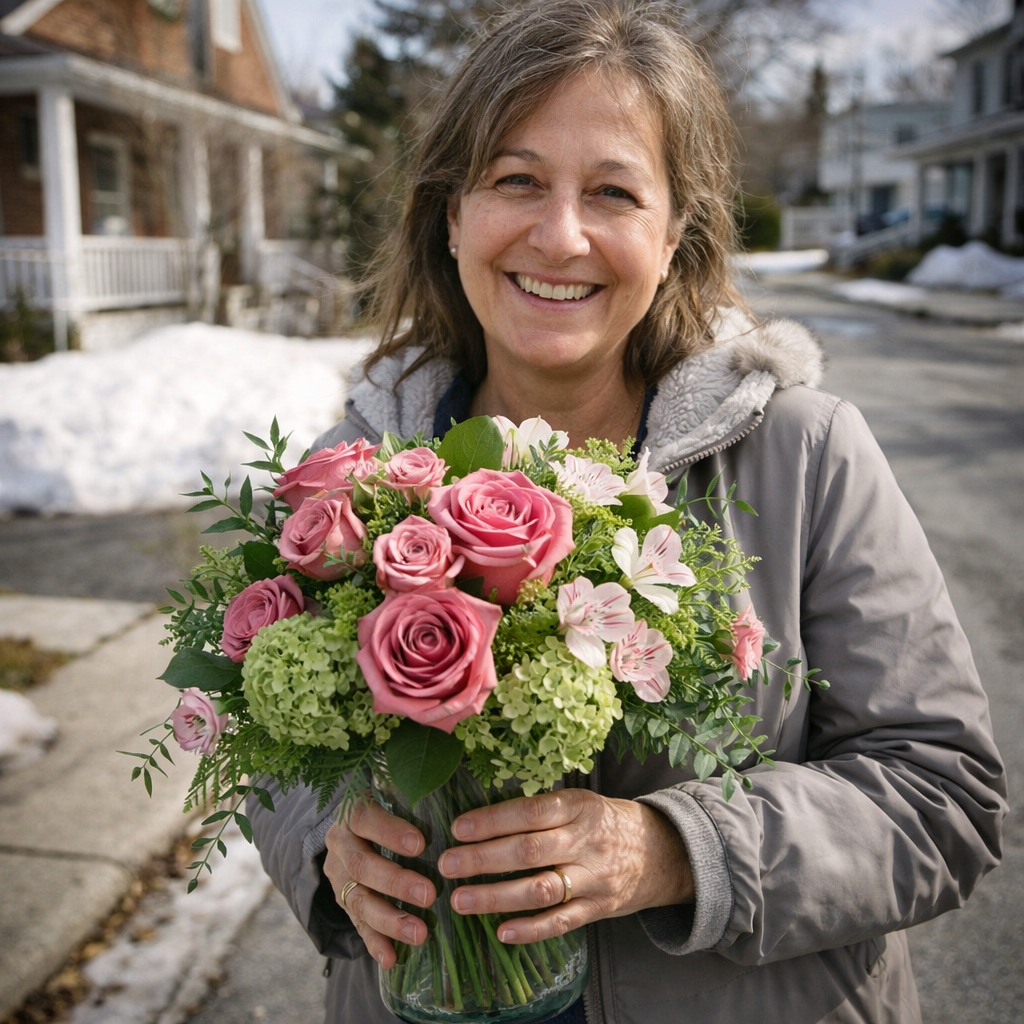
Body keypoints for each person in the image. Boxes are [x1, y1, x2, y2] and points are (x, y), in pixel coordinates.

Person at [248, 2, 1007, 1021]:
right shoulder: (351, 489)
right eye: (515, 180)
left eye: (611, 191)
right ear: (451, 213)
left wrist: (675, 851)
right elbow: (271, 750)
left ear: (672, 231)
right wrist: (327, 846)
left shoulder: (802, 455)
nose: (560, 236)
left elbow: (940, 795)